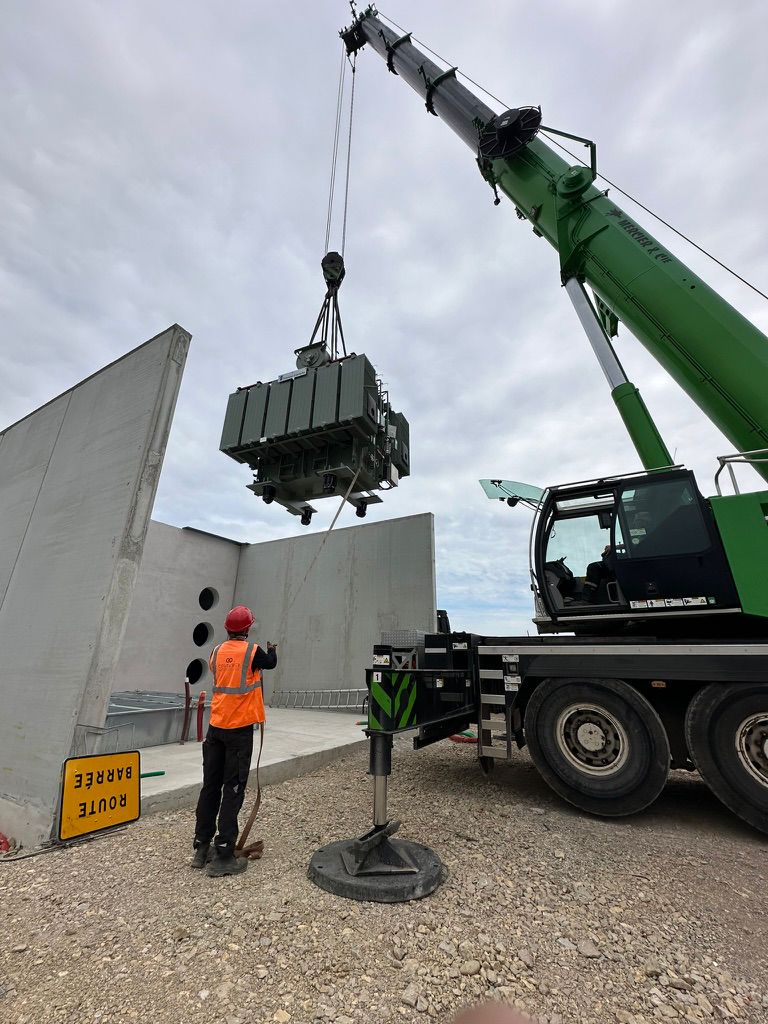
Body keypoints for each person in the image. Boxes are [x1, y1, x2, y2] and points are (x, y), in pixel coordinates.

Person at [192, 604, 277, 877]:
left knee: (210, 787)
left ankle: (201, 848)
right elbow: (270, 663)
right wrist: (273, 650)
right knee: (233, 789)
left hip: (215, 728)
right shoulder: (253, 652)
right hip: (239, 731)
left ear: (227, 628)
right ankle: (224, 854)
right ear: (248, 629)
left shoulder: (216, 652)